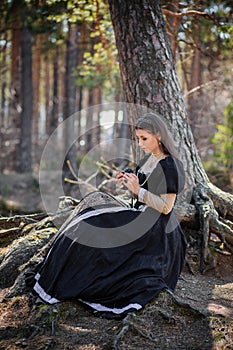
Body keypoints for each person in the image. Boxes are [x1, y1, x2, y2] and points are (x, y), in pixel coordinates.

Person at [27, 112, 186, 319]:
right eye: (138, 139)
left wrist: (138, 191)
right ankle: (59, 270)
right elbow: (143, 182)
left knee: (98, 223)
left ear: (158, 136)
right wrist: (129, 178)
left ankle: (73, 278)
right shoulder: (150, 159)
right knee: (90, 213)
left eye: (144, 139)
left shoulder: (170, 165)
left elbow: (166, 207)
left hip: (155, 230)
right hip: (140, 216)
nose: (140, 144)